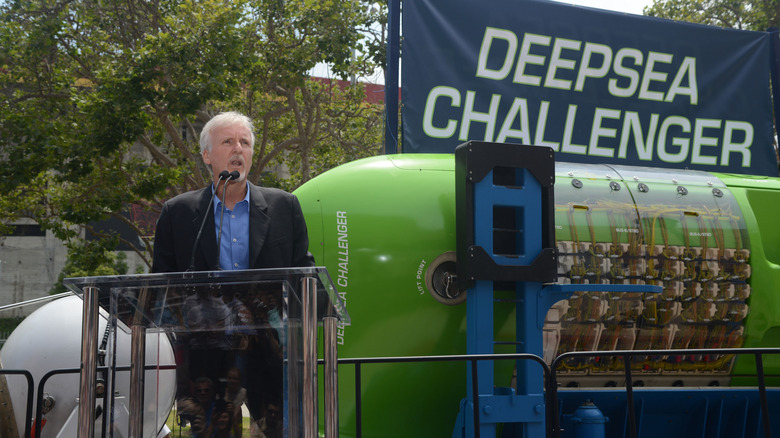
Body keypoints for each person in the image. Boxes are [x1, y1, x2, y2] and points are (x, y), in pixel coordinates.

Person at [152, 110, 315, 273]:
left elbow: (306, 276)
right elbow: (160, 286)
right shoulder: (177, 213)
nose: (238, 149)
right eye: (228, 142)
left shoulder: (284, 207)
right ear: (207, 156)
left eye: (244, 143)